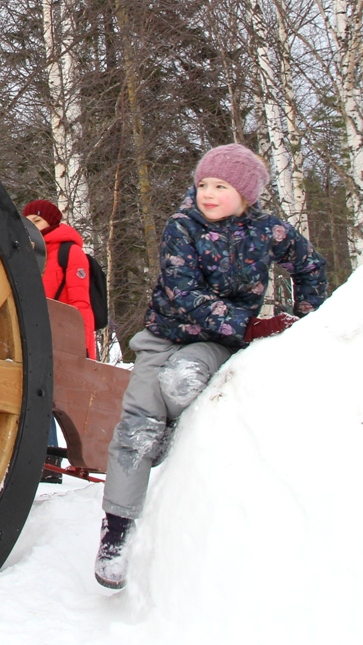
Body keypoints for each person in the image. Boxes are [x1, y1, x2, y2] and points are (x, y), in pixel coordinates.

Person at [93, 144, 327, 589]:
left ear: (246, 194)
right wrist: (250, 326)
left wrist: (306, 319)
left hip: (214, 343)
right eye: (203, 184)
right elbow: (183, 292)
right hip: (164, 336)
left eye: (221, 186)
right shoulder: (183, 227)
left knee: (182, 382)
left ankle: (176, 431)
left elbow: (311, 265)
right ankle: (117, 531)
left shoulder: (267, 231)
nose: (209, 194)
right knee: (137, 424)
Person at [23, 199, 96, 358]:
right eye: (27, 223)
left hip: (64, 341)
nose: (32, 227)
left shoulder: (70, 251)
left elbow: (81, 304)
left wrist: (83, 347)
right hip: (33, 338)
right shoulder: (25, 254)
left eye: (37, 220)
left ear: (50, 222)